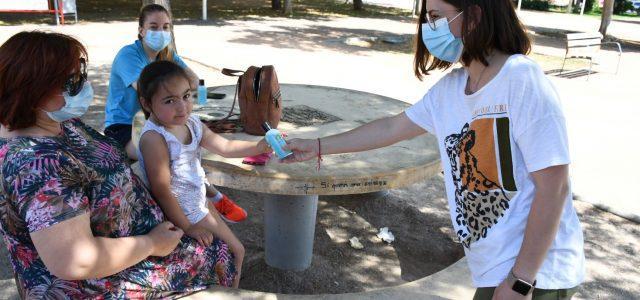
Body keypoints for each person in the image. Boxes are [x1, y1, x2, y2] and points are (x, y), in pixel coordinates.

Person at [285, 0, 584, 299]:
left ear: (474, 16)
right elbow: (391, 128)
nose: (430, 28)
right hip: (499, 271)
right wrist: (317, 146)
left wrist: (521, 280)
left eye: (437, 17)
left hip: (540, 276)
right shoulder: (452, 89)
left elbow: (554, 188)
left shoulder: (521, 79)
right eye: (428, 18)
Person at [0, 31, 239, 298]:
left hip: (138, 243)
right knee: (221, 250)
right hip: (104, 280)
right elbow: (76, 259)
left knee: (218, 237)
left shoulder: (55, 122)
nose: (82, 86)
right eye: (71, 82)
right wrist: (151, 243)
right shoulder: (36, 164)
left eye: (80, 75)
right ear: (32, 90)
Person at [104, 3, 247, 223]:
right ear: (141, 30)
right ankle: (213, 197)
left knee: (186, 147)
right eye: (153, 26)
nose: (160, 32)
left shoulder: (166, 55)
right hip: (123, 126)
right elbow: (149, 96)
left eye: (165, 27)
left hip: (158, 119)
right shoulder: (129, 56)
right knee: (172, 157)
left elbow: (192, 79)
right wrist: (178, 86)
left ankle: (210, 200)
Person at [136, 60, 272, 284]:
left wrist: (259, 147)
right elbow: (162, 191)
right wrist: (188, 226)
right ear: (147, 103)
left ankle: (231, 289)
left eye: (186, 96)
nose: (182, 107)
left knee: (236, 251)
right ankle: (230, 291)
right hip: (184, 212)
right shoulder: (154, 138)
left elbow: (225, 147)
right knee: (235, 252)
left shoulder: (192, 123)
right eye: (170, 101)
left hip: (199, 202)